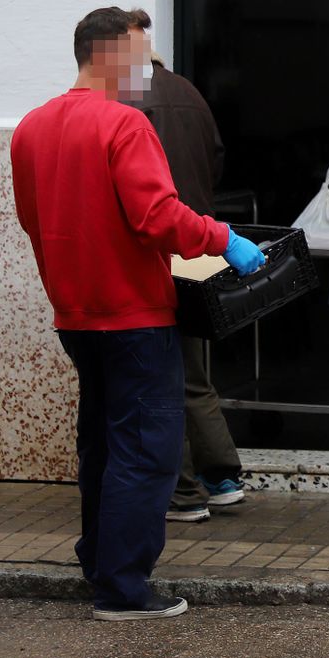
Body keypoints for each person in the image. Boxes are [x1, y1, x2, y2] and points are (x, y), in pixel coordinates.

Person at [10, 7, 266, 621]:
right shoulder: (124, 125)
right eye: (138, 59)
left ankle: (99, 559)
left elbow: (31, 218)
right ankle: (123, 589)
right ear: (104, 56)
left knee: (100, 443)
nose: (145, 73)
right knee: (144, 450)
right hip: (136, 316)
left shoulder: (31, 128)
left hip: (74, 314)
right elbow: (158, 217)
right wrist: (222, 237)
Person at [125, 43, 248, 521]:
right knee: (193, 373)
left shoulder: (128, 101)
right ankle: (222, 477)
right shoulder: (192, 94)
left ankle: (181, 492)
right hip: (200, 244)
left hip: (154, 249)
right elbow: (215, 160)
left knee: (157, 376)